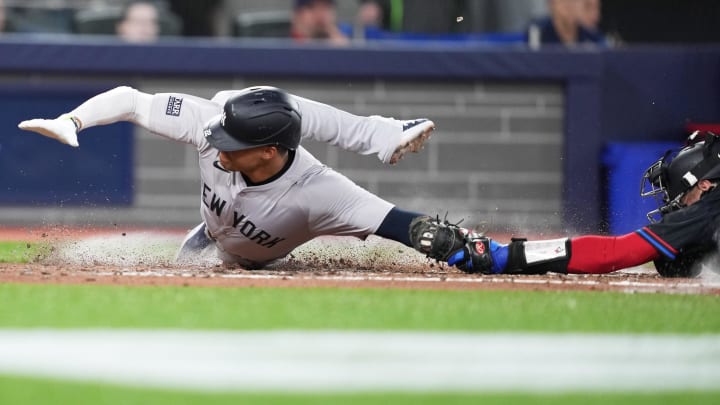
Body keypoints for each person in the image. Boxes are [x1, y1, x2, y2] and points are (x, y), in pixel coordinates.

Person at [18, 86, 435, 269]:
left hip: (259, 249)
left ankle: (381, 133)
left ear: (268, 149)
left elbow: (402, 223)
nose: (219, 142)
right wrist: (72, 120)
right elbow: (130, 100)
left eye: (232, 139)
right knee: (263, 101)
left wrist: (493, 258)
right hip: (214, 236)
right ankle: (381, 132)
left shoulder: (324, 192)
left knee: (278, 106)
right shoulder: (211, 124)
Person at [409, 131, 720, 278]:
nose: (678, 206)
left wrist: (506, 256)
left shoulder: (711, 205)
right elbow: (680, 267)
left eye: (683, 196)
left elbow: (618, 253)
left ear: (704, 185)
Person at [527, 0, 604, 47]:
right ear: (551, 4)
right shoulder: (537, 33)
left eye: (574, 1)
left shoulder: (591, 36)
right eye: (564, 1)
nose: (569, 5)